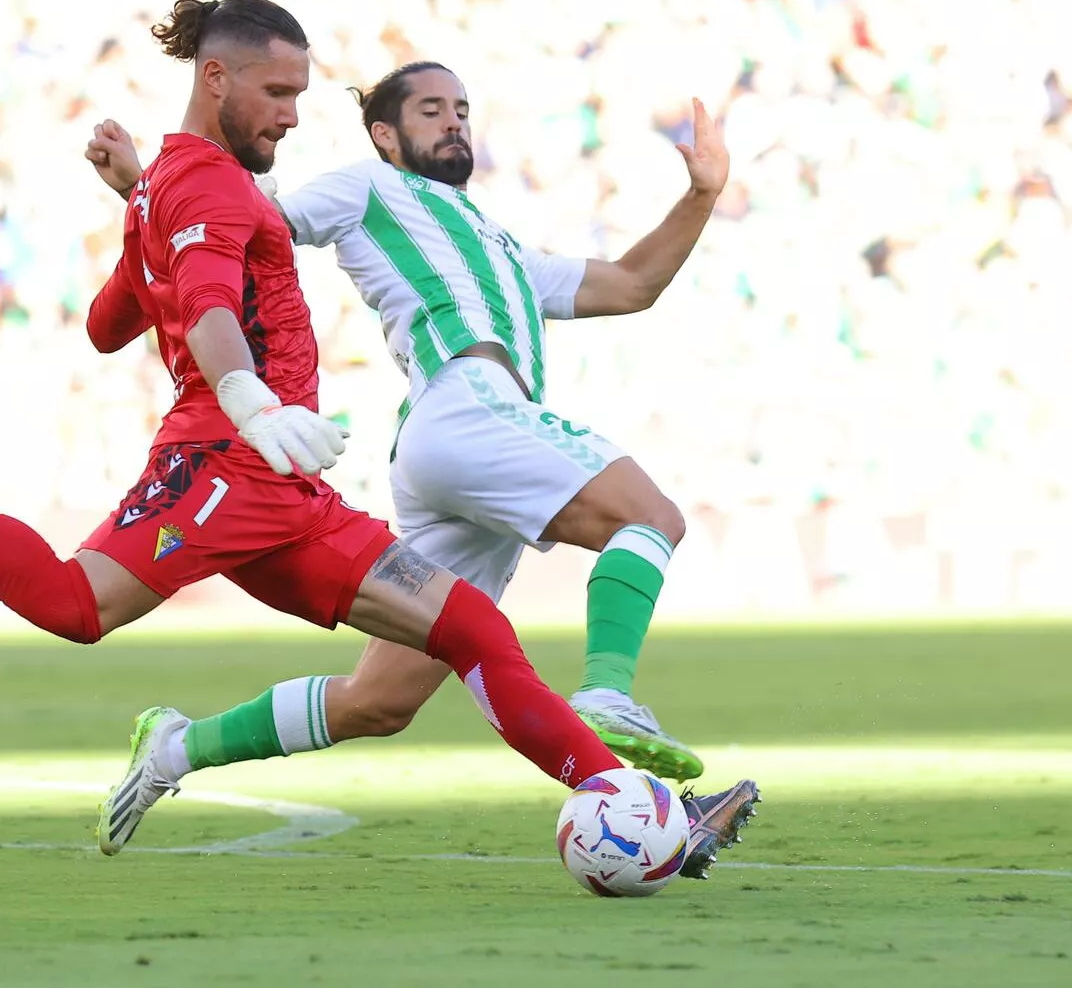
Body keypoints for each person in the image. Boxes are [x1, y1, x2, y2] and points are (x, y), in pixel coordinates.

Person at [0, 0, 754, 877]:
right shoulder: (214, 183)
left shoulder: (187, 185)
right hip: (222, 460)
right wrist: (256, 401)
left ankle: (633, 804)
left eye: (302, 95)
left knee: (471, 634)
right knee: (77, 607)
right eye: (279, 95)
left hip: (288, 487)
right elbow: (208, 309)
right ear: (216, 79)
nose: (296, 117)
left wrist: (140, 210)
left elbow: (108, 322)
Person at [83, 60, 755, 863]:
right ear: (385, 134)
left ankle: (175, 750)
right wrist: (143, 189)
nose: (453, 122)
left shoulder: (502, 247)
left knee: (380, 699)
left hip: (449, 453)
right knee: (651, 517)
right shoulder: (368, 187)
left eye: (462, 109)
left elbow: (634, 282)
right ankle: (608, 694)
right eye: (432, 109)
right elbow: (247, 220)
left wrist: (702, 195)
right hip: (468, 405)